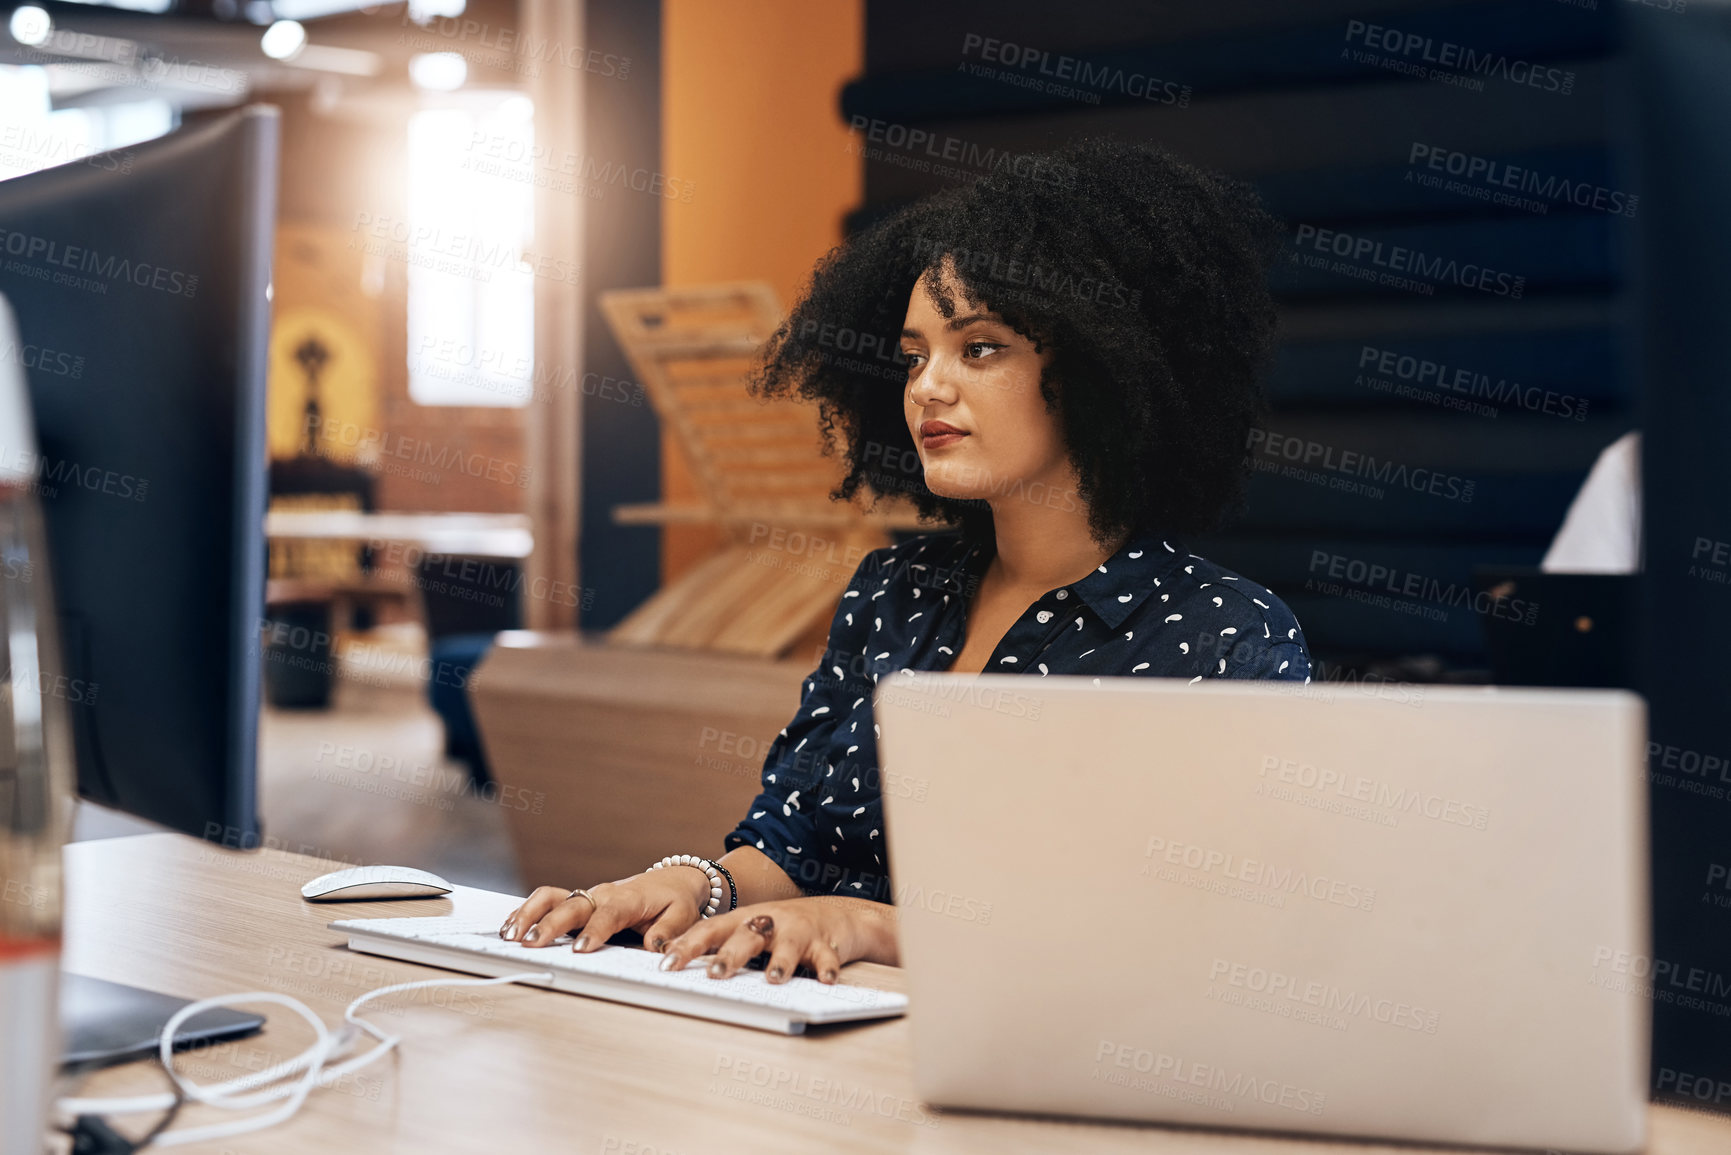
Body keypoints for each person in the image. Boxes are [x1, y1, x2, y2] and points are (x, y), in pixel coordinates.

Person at [498, 138, 1312, 985]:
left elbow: (1170, 938)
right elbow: (793, 842)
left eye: (981, 348)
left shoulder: (1223, 637)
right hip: (811, 1026)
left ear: (1105, 368)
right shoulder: (893, 592)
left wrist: (873, 927)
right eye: (914, 354)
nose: (927, 385)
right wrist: (686, 885)